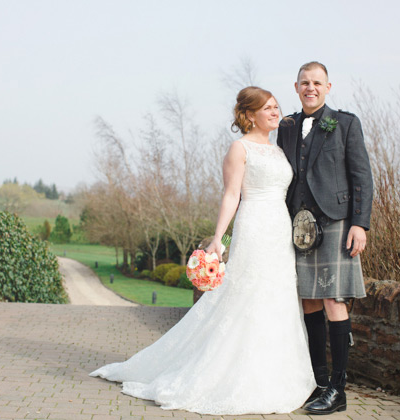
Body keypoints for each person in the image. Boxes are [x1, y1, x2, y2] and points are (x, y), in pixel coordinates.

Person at [90, 86, 315, 415]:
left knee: (278, 298)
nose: (275, 112)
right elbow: (231, 195)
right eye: (267, 108)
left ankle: (277, 374)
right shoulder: (239, 149)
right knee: (248, 297)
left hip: (280, 230)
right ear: (249, 114)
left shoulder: (280, 150)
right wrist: (217, 240)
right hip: (253, 228)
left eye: (276, 106)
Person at [277, 62, 373, 415]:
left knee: (334, 300)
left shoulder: (345, 123)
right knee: (308, 302)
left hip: (336, 222)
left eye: (317, 83)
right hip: (299, 226)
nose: (310, 88)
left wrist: (359, 224)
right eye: (305, 83)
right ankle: (317, 384)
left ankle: (338, 388)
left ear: (328, 86)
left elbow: (361, 175)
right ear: (296, 86)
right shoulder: (286, 127)